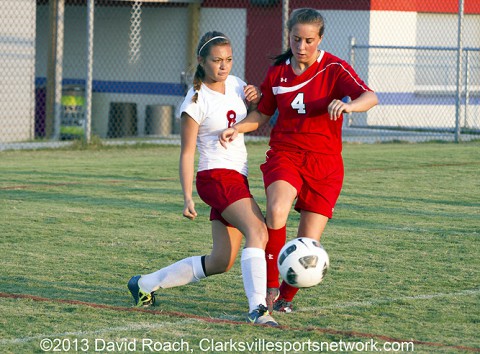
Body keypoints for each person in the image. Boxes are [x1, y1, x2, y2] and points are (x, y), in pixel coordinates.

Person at [219, 8, 378, 313]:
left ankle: (286, 299)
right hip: (286, 154)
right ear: (288, 36)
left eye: (308, 40)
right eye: (296, 39)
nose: (301, 46)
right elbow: (262, 114)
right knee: (277, 211)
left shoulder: (333, 67)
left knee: (309, 242)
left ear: (319, 39)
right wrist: (238, 128)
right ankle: (269, 288)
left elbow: (370, 96)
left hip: (326, 165)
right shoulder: (277, 73)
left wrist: (349, 107)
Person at [128, 31, 278, 326]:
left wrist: (256, 99)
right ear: (201, 61)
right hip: (216, 177)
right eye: (217, 60)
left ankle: (144, 283)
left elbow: (254, 117)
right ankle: (258, 309)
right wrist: (187, 197)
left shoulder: (235, 84)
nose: (224, 66)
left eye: (229, 60)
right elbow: (186, 154)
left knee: (222, 261)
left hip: (236, 177)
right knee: (259, 232)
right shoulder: (194, 102)